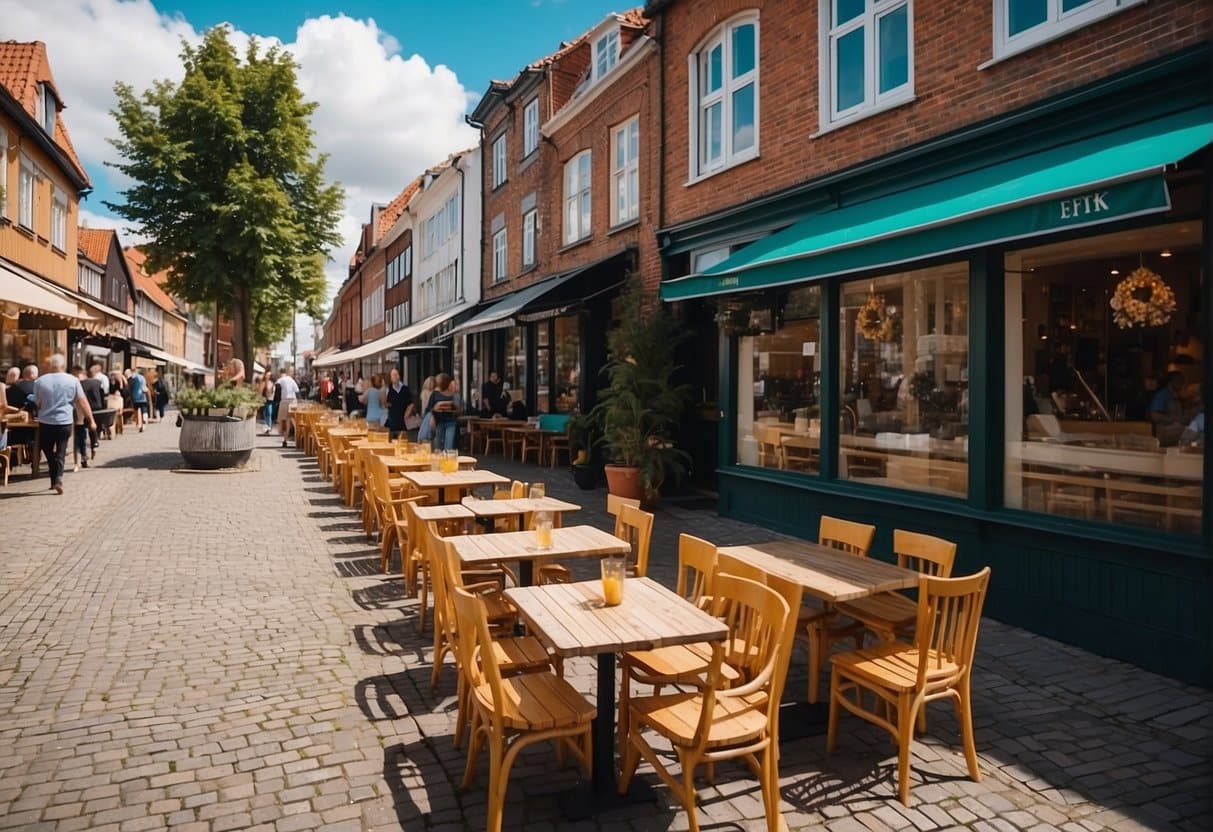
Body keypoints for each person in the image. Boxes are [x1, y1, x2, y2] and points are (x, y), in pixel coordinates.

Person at [34, 354, 95, 495]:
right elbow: (82, 402)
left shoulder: (40, 381)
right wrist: (91, 420)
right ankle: (58, 479)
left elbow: (37, 403)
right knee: (61, 451)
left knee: (48, 450)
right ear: (63, 366)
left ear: (50, 366)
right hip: (64, 421)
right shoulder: (73, 380)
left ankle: (53, 478)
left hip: (46, 421)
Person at [73, 366, 105, 467]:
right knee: (93, 428)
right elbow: (103, 395)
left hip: (83, 410)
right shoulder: (97, 382)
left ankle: (83, 455)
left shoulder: (79, 384)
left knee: (81, 432)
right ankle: (94, 444)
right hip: (97, 408)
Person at [425, 373, 461, 451]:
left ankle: (447, 462)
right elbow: (428, 408)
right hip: (438, 422)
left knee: (449, 446)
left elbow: (459, 410)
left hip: (450, 422)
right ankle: (439, 462)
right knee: (439, 447)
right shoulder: (435, 394)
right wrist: (435, 410)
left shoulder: (454, 395)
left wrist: (453, 408)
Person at [1150, 370, 1187, 446]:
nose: (1182, 383)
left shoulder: (1178, 396)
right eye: (1179, 380)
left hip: (1176, 434)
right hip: (1165, 435)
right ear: (1171, 381)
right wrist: (1173, 419)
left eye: (1182, 380)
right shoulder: (1162, 395)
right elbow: (1154, 416)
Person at [384, 368, 415, 441]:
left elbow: (411, 403)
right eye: (394, 375)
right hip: (391, 422)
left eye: (397, 374)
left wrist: (407, 413)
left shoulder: (405, 389)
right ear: (390, 377)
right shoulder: (388, 390)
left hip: (402, 423)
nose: (396, 376)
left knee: (402, 443)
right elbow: (384, 404)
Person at [274, 366, 300, 447]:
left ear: (280, 373)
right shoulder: (292, 380)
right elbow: (297, 391)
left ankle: (285, 440)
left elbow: (276, 391)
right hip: (293, 401)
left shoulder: (280, 380)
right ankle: (298, 440)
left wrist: (276, 402)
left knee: (285, 422)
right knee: (294, 421)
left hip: (284, 401)